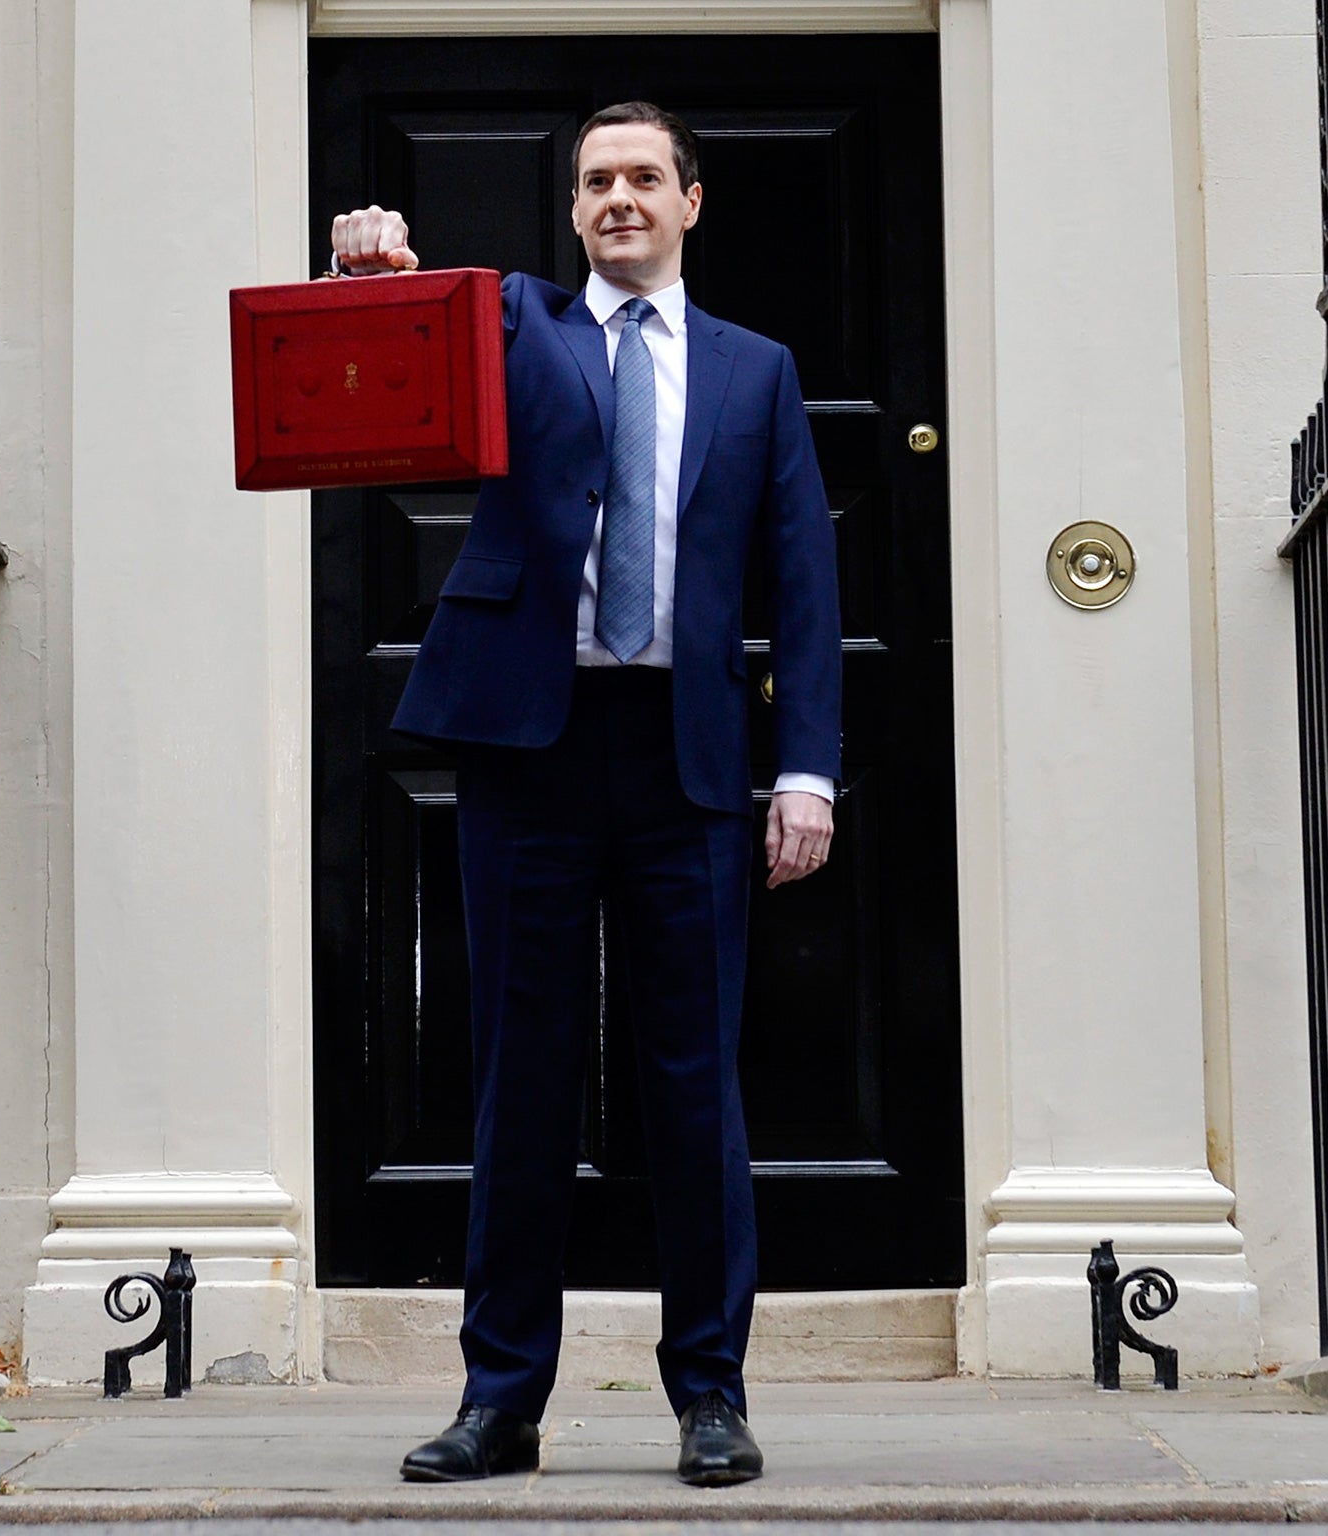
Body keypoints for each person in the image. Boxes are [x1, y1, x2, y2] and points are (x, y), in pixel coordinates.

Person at [330, 101, 840, 1488]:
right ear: (572, 212)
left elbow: (802, 583)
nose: (618, 198)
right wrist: (369, 262)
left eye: (643, 179)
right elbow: (384, 353)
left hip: (685, 761)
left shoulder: (756, 372)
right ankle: (502, 1402)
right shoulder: (516, 322)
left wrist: (806, 771)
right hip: (528, 748)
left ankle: (711, 1396)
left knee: (693, 1086)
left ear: (690, 201)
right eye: (594, 181)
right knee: (521, 1082)